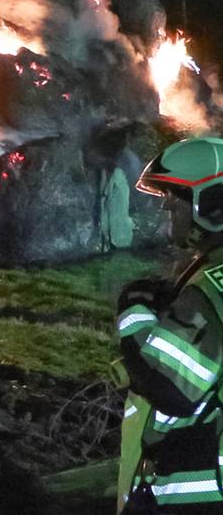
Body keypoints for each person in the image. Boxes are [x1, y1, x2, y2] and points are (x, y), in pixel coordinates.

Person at [116, 135, 223, 511]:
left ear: (211, 204)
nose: (166, 212)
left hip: (197, 492)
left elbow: (169, 387)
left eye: (173, 201)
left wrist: (135, 313)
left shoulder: (211, 288)